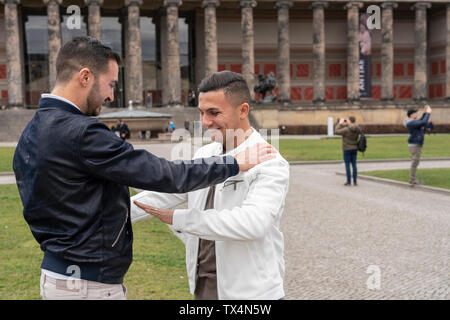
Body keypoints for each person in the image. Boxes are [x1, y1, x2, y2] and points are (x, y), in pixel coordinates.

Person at [12, 37, 276, 300]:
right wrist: (231, 164)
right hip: (87, 284)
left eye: (213, 113)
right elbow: (163, 175)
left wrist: (137, 211)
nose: (111, 95)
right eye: (111, 84)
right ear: (85, 77)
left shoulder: (33, 131)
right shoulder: (81, 133)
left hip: (57, 275)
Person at [131, 71, 290, 300]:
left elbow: (254, 224)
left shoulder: (270, 162)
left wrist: (180, 219)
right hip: (203, 287)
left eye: (214, 113)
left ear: (243, 110)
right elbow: (167, 194)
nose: (205, 122)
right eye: (202, 112)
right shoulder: (205, 153)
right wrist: (106, 214)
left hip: (252, 294)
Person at [403, 105, 432, 186]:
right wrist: (428, 113)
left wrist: (425, 112)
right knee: (415, 162)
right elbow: (423, 122)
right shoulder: (411, 123)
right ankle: (412, 180)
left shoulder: (413, 122)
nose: (416, 114)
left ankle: (413, 179)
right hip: (415, 145)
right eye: (415, 113)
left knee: (415, 162)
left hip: (416, 144)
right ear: (411, 115)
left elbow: (421, 121)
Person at [335, 116, 360, 186]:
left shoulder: (346, 129)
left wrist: (340, 123)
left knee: (347, 165)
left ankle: (349, 181)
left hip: (347, 149)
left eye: (347, 120)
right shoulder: (357, 128)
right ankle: (355, 181)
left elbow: (336, 131)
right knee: (354, 165)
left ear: (349, 121)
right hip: (354, 148)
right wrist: (346, 124)